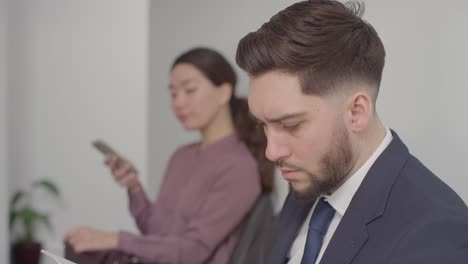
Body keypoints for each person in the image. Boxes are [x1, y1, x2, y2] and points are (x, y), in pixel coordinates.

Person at [235, 1, 468, 264]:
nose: (271, 151)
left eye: (291, 125)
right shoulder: (309, 180)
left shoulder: (437, 233)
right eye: (263, 125)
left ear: (356, 112)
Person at [64, 47, 274, 264]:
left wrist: (117, 239)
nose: (178, 103)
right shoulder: (181, 156)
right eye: (173, 93)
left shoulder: (239, 167)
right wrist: (134, 187)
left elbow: (193, 251)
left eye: (189, 90)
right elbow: (157, 234)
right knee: (78, 249)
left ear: (223, 92)